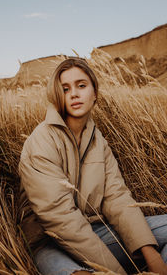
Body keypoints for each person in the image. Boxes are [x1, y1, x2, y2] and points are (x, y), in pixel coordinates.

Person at [18, 57, 167, 275]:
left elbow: (117, 198)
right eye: (65, 88)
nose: (74, 94)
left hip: (97, 233)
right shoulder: (41, 141)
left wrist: (152, 258)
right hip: (51, 243)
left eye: (81, 85)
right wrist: (117, 272)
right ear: (57, 95)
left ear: (94, 92)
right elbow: (60, 219)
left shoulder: (98, 141)